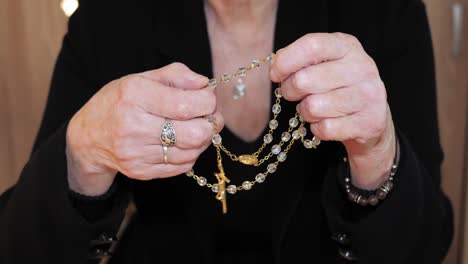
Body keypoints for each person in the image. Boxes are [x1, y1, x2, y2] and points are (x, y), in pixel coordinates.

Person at [0, 0, 454, 263]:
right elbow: (20, 249)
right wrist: (84, 153)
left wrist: (376, 151)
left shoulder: (383, 10)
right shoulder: (109, 18)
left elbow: (423, 246)